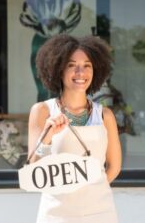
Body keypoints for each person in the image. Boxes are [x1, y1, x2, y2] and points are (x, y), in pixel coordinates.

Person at [27, 33, 122, 223]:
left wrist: (87, 191)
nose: (81, 73)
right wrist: (47, 136)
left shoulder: (105, 116)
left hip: (100, 212)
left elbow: (114, 167)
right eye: (72, 66)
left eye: (87, 66)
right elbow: (33, 169)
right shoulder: (43, 111)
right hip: (56, 213)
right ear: (58, 70)